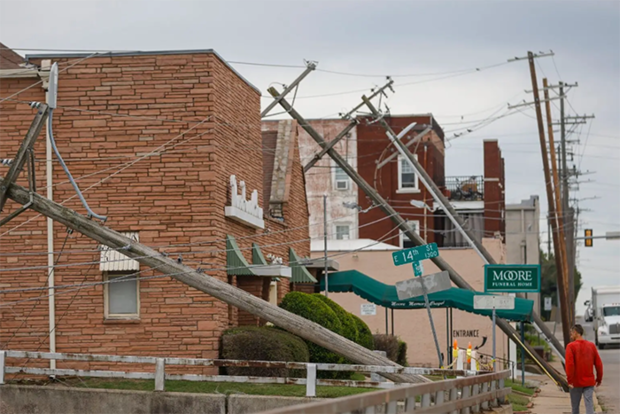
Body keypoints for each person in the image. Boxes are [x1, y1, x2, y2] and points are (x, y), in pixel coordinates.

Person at [566, 324, 603, 414]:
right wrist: (599, 378)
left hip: (575, 382)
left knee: (575, 407)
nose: (571, 335)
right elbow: (598, 364)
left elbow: (570, 364)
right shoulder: (591, 346)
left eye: (571, 333)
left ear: (576, 333)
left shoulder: (571, 347)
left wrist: (570, 380)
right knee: (589, 405)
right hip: (589, 381)